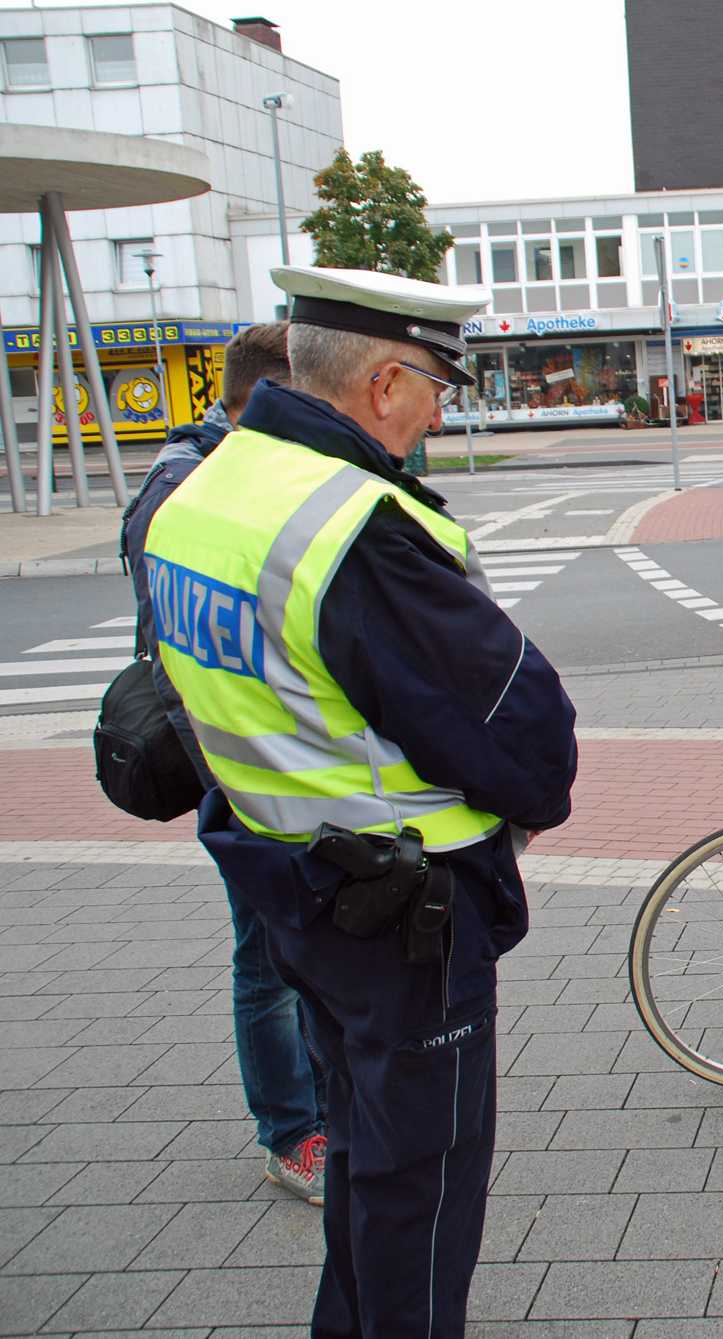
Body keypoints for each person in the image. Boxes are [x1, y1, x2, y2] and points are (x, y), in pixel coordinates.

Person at [143, 266, 578, 1336]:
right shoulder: (354, 526)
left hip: (287, 876)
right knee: (416, 1191)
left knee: (359, 1156)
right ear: (385, 382)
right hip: (400, 916)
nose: (441, 408)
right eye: (439, 381)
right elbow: (525, 741)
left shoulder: (201, 491)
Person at [120, 322, 332, 1204]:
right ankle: (292, 1131)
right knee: (265, 953)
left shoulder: (243, 470)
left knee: (300, 946)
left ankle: (318, 1108)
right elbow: (190, 646)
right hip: (235, 765)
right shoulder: (186, 487)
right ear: (270, 396)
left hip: (280, 760)